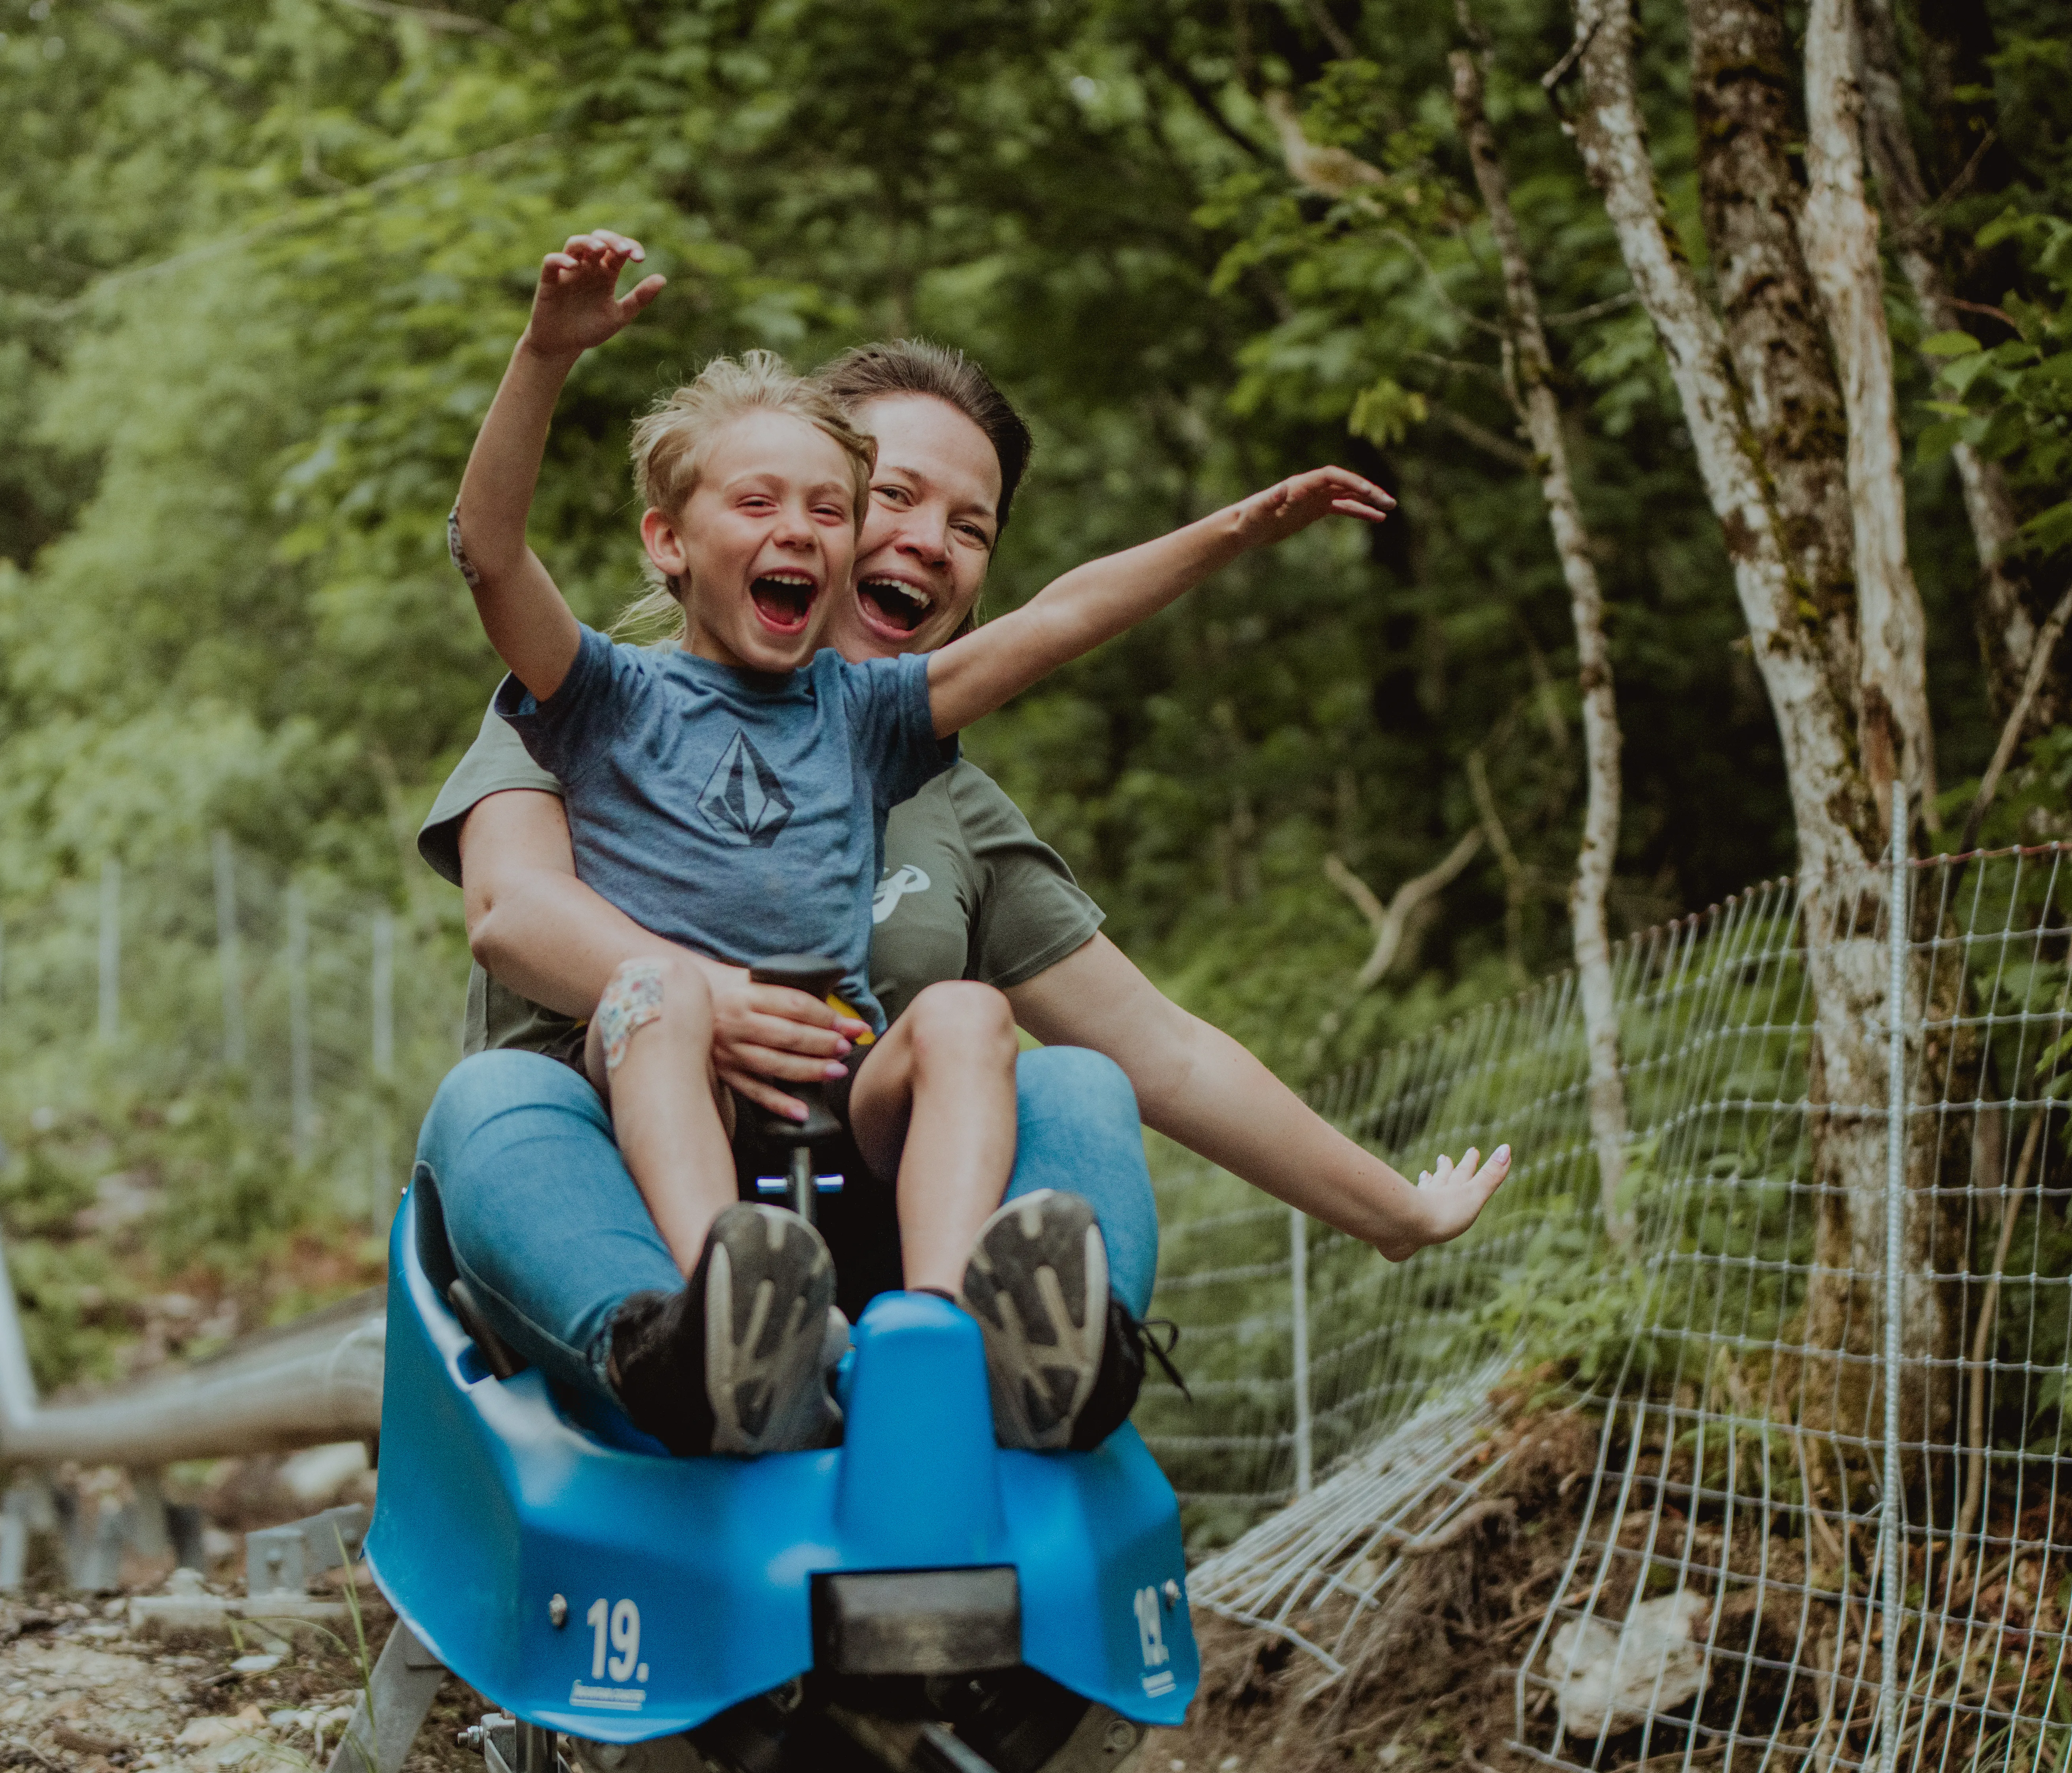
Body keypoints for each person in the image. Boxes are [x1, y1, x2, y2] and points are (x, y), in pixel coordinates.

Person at [416, 319, 1514, 1461]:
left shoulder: (926, 778)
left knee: (1072, 1078)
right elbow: (511, 913)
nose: (925, 542)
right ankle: (694, 1345)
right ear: (680, 533)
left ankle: (1008, 1357)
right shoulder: (600, 706)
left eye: (969, 526)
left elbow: (1171, 1056)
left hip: (858, 1190)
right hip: (600, 1174)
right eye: (895, 495)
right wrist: (711, 996)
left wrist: (1395, 1213)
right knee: (499, 1095)